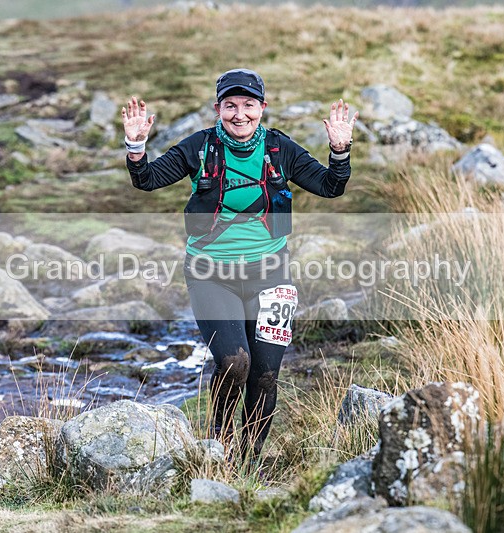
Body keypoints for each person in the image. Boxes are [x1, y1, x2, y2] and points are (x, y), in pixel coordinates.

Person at [122, 68, 357, 463]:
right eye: (230, 105)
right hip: (211, 274)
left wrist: (340, 151)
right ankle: (219, 444)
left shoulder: (281, 150)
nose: (240, 114)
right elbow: (146, 180)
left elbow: (331, 187)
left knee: (265, 374)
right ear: (218, 109)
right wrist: (135, 146)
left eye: (249, 105)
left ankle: (249, 461)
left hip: (272, 275)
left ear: (262, 109)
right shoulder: (200, 147)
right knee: (235, 362)